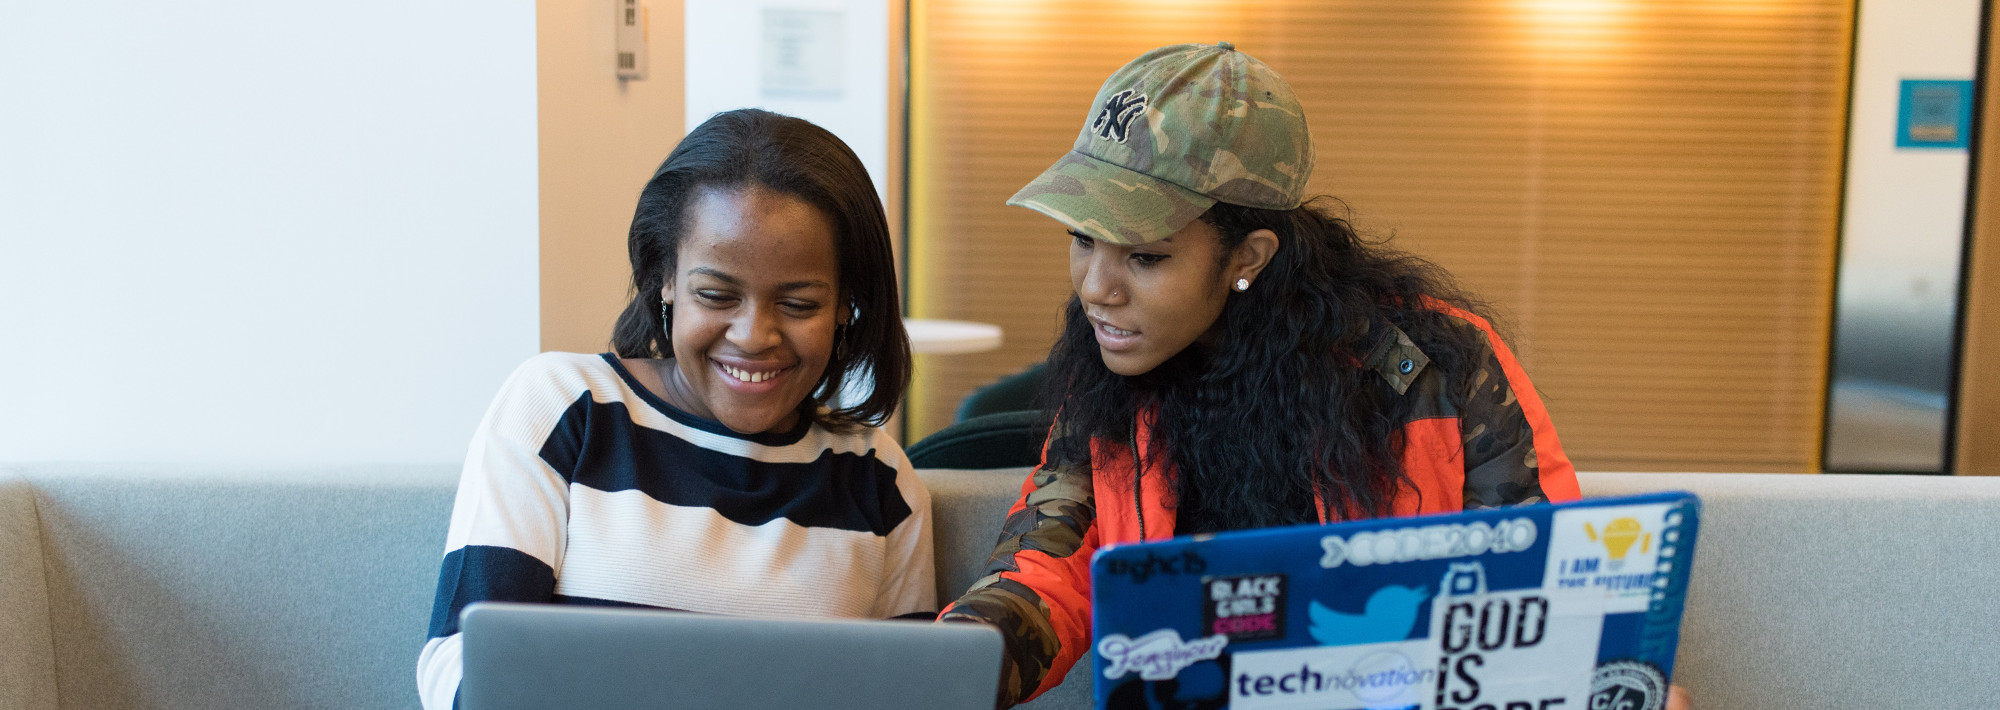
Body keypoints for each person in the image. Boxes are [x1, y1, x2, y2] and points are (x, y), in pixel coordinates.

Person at [938, 42, 1689, 710]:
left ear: (1249, 256)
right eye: (1082, 239)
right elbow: (1050, 571)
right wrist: (945, 665)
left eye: (1145, 256)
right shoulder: (1106, 372)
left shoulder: (1435, 368)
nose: (1095, 287)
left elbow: (1540, 584)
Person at [416, 109, 933, 710]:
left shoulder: (880, 481)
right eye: (716, 295)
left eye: (797, 303)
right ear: (663, 278)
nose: (753, 335)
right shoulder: (564, 408)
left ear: (848, 304)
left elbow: (917, 693)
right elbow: (457, 662)